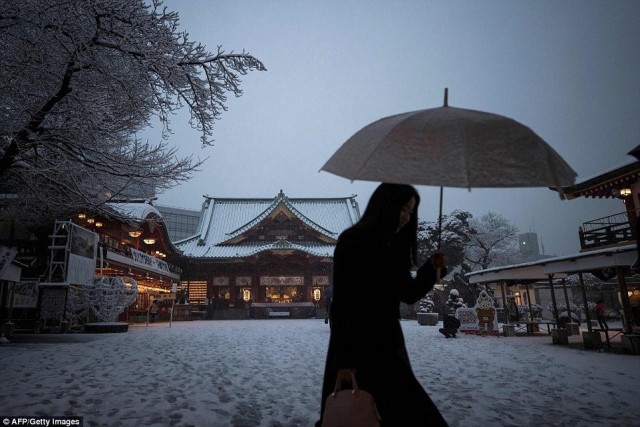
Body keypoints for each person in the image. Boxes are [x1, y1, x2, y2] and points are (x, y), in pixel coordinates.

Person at [316, 183, 449, 426]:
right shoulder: (352, 241)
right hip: (355, 346)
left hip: (387, 343)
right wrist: (345, 362)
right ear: (387, 205)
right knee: (359, 413)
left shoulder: (394, 247)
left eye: (411, 212)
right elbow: (342, 304)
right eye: (404, 209)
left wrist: (432, 268)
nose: (407, 217)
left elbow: (407, 293)